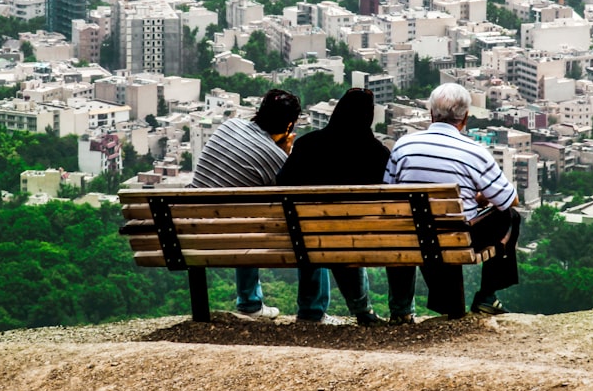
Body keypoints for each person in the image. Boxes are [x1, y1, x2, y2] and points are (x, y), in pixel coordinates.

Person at [383, 82, 521, 323]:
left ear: (431, 114)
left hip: (412, 235)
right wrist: (477, 198)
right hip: (458, 236)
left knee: (407, 223)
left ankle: (401, 311)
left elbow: (389, 196)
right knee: (510, 216)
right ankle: (487, 295)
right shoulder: (474, 151)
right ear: (465, 117)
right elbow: (510, 200)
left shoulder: (403, 145)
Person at [276, 88, 388, 326]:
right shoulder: (377, 153)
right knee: (346, 231)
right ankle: (362, 310)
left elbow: (282, 184)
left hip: (306, 236)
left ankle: (309, 310)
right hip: (359, 237)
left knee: (310, 229)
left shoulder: (307, 145)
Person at [190, 88, 302, 320]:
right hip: (233, 237)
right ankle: (251, 304)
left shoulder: (229, 125)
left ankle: (247, 303)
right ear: (289, 126)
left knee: (243, 218)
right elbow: (283, 195)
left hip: (187, 228)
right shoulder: (277, 157)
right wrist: (284, 152)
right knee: (252, 223)